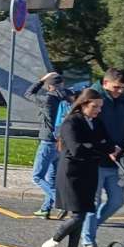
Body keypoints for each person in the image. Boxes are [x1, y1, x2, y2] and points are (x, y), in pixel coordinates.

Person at [42, 89, 119, 247]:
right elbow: (77, 149)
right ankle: (52, 243)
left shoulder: (96, 122)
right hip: (72, 175)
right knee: (78, 215)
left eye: (100, 106)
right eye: (95, 106)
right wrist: (101, 147)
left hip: (89, 173)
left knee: (81, 213)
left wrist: (104, 147)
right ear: (83, 104)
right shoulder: (71, 122)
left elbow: (108, 142)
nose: (98, 110)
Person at [78, 68, 124, 247]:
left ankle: (86, 228)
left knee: (117, 200)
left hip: (116, 161)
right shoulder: (93, 98)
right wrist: (105, 147)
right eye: (116, 87)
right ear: (105, 83)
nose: (120, 91)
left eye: (123, 88)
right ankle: (88, 242)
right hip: (95, 159)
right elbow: (86, 127)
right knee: (93, 202)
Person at [26, 71, 74, 218]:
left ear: (50, 87)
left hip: (47, 141)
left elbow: (28, 93)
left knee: (37, 176)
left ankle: (59, 201)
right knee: (51, 178)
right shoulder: (69, 97)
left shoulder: (47, 99)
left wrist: (42, 79)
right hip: (61, 142)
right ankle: (45, 209)